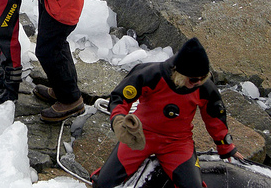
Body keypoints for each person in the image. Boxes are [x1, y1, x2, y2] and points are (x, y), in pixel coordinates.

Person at [91, 37, 244, 188]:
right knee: (104, 183)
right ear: (179, 74)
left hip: (177, 142)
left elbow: (215, 116)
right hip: (141, 135)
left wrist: (225, 146)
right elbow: (120, 97)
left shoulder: (204, 87)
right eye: (193, 80)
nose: (198, 83)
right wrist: (119, 121)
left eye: (203, 78)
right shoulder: (150, 74)